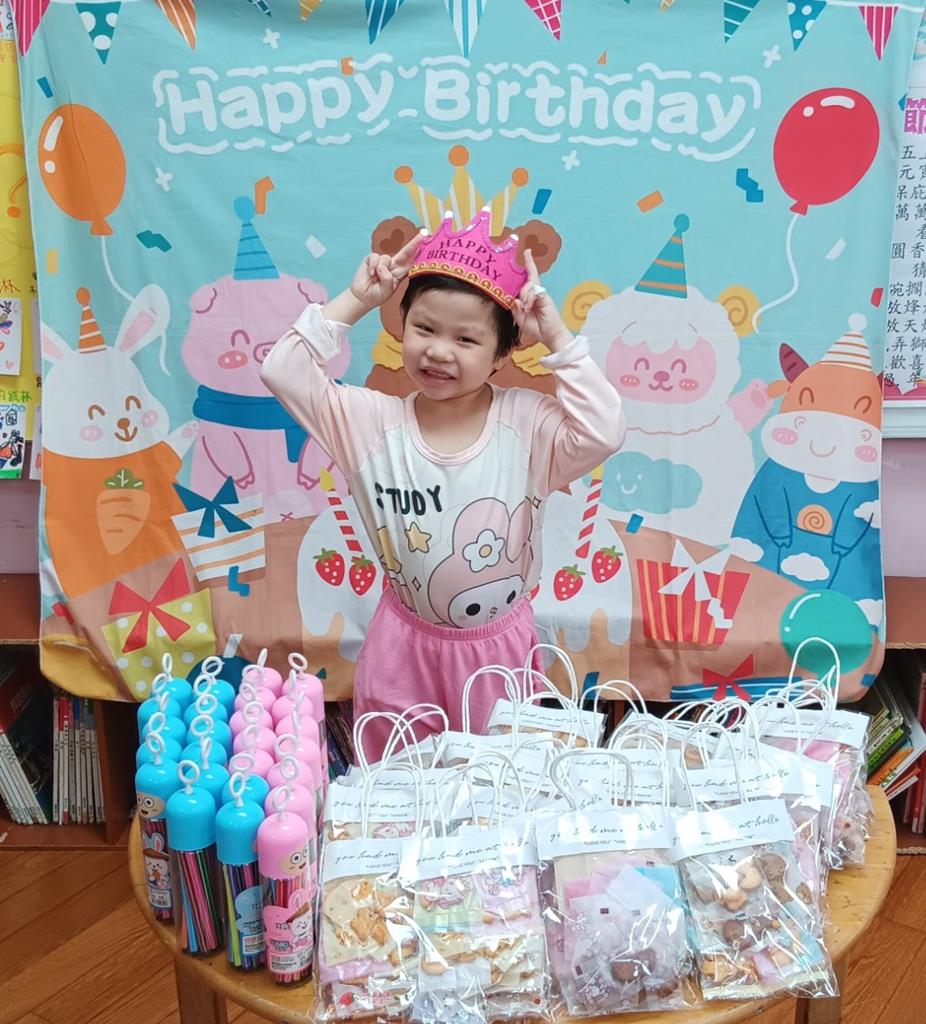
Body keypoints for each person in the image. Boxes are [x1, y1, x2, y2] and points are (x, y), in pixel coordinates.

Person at [261, 208, 625, 759]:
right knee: (394, 780)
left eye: (466, 339)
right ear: (402, 325)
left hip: (498, 651)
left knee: (496, 783)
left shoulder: (527, 424)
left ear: (503, 352)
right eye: (424, 328)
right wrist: (357, 299)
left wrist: (555, 335)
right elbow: (282, 370)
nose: (438, 350)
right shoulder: (368, 423)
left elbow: (605, 429)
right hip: (401, 646)